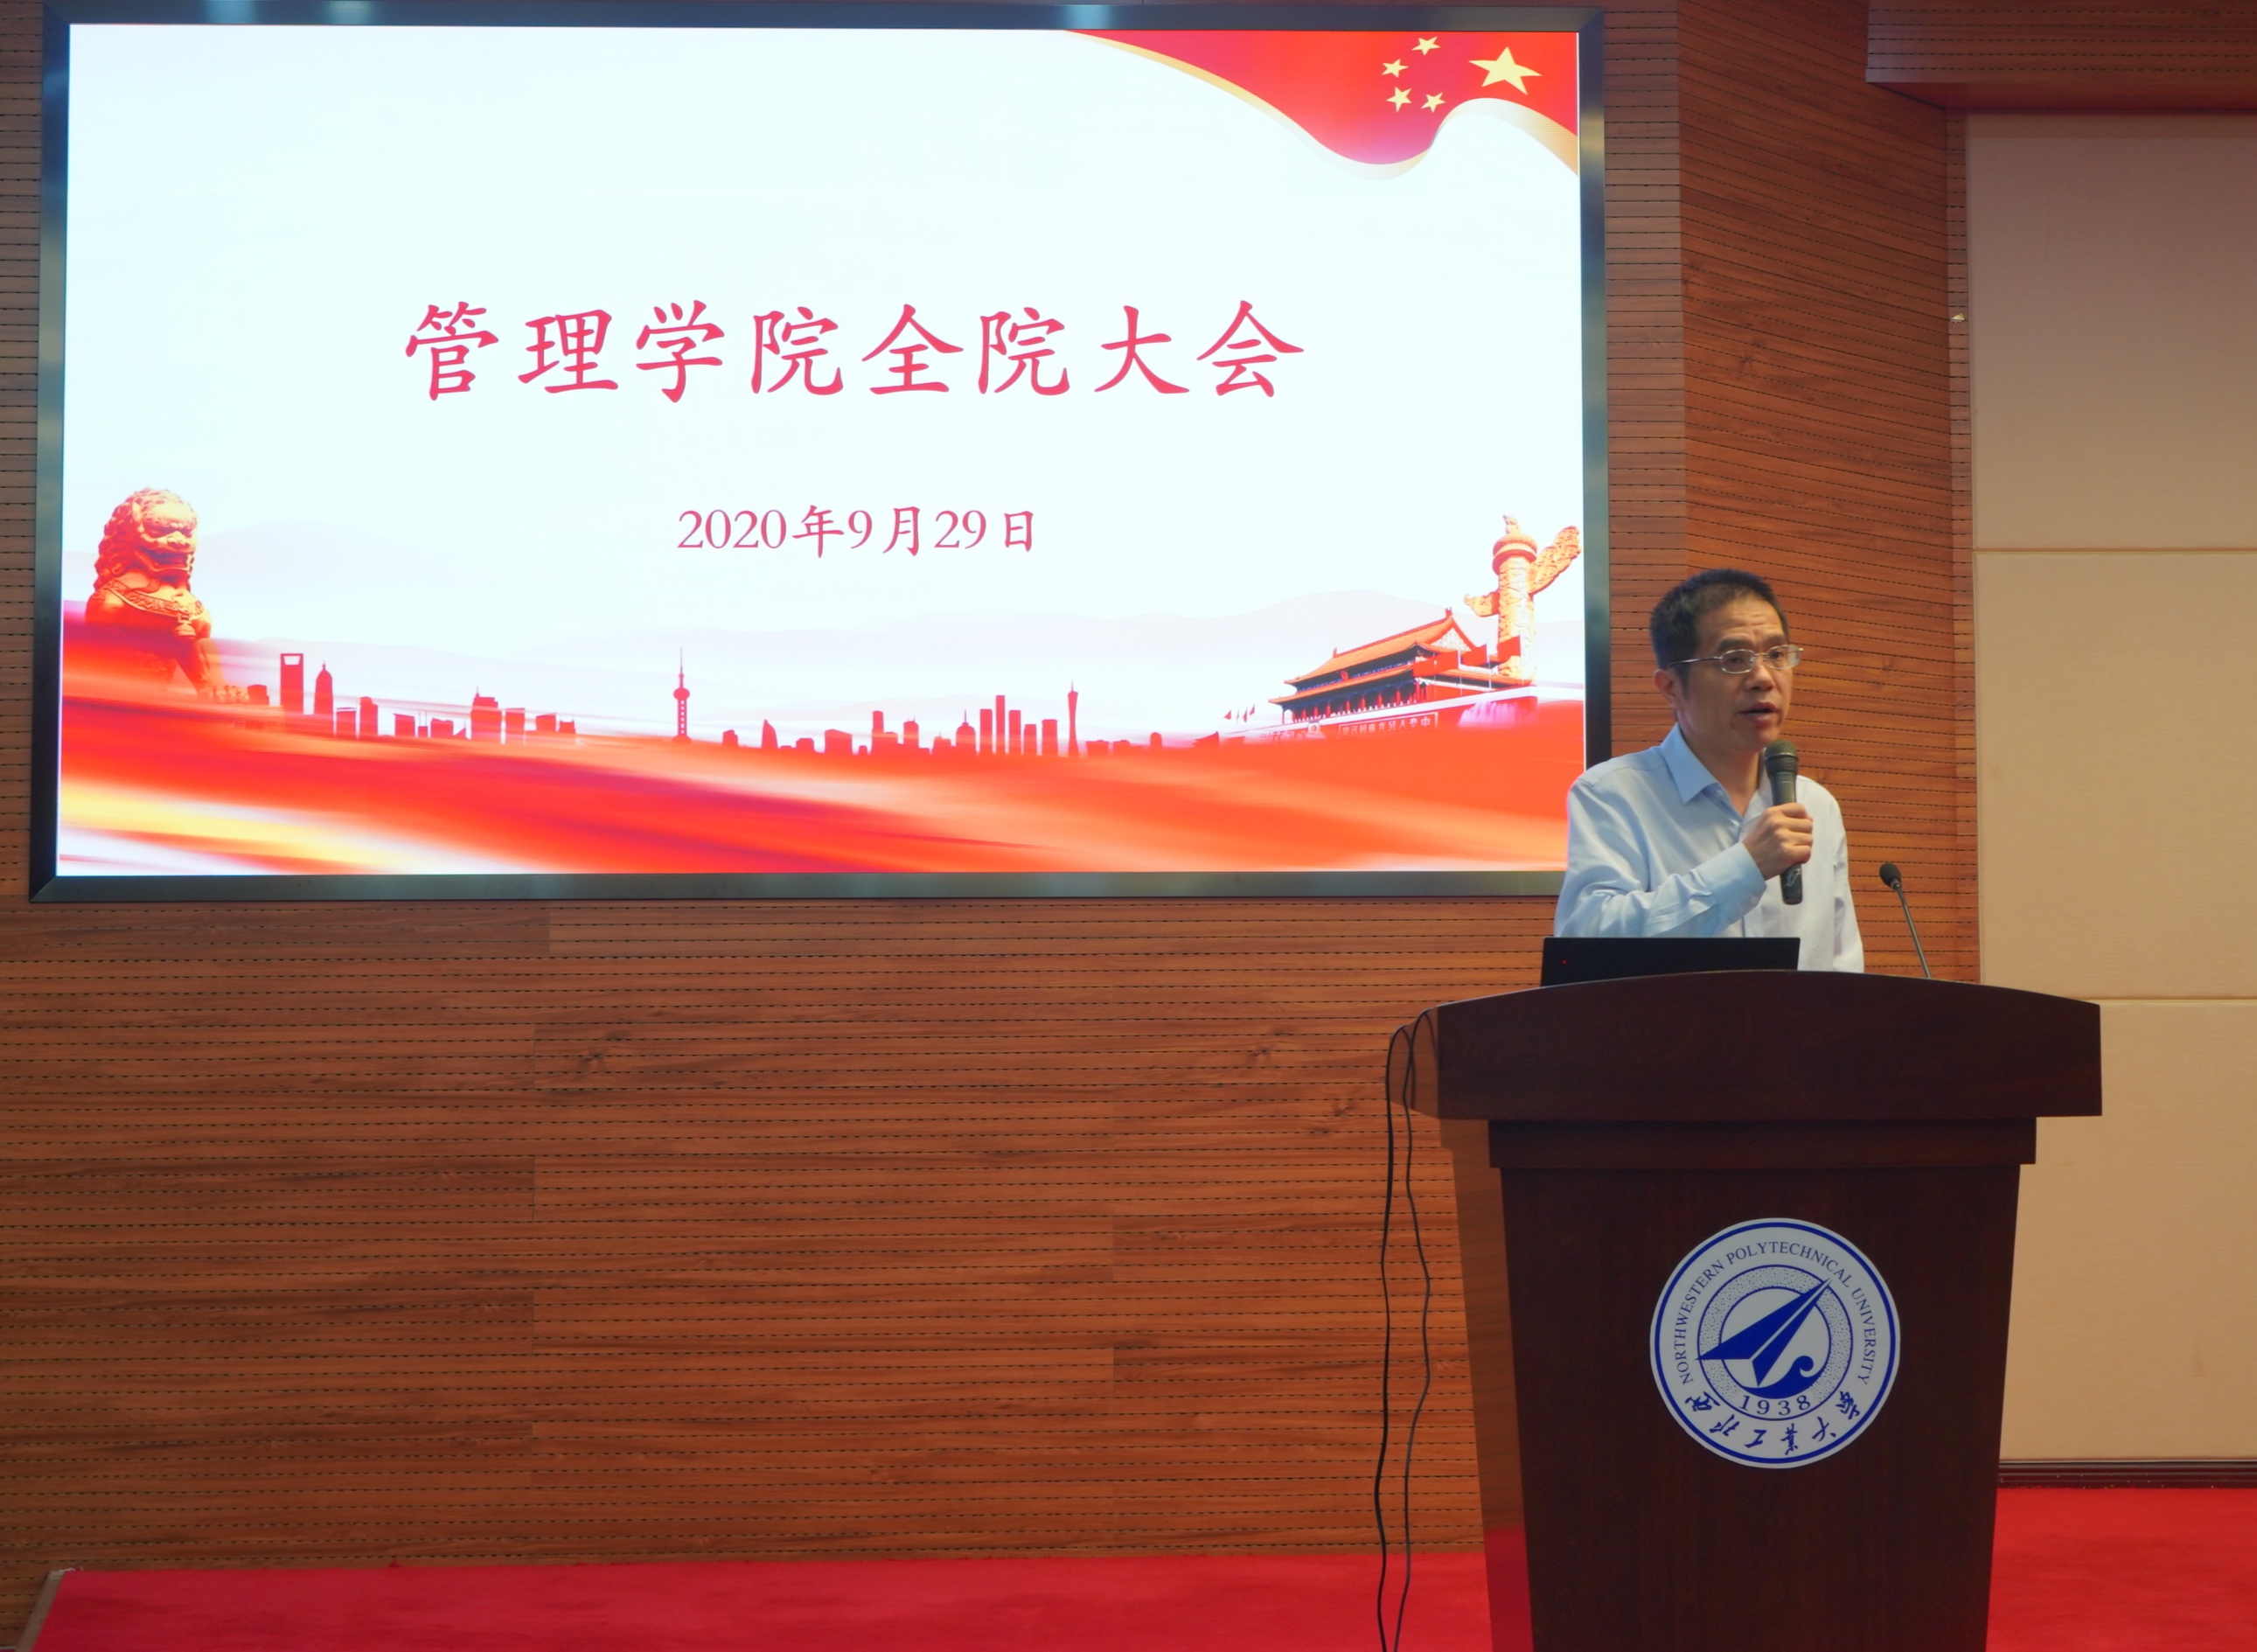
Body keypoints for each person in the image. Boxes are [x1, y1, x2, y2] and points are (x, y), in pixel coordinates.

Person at [1555, 568, 1862, 970]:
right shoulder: (1611, 793)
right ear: (1671, 688)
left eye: (1776, 655)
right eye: (1734, 660)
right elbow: (1587, 945)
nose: (1763, 679)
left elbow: (1841, 961)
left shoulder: (1816, 804)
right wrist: (1745, 866)